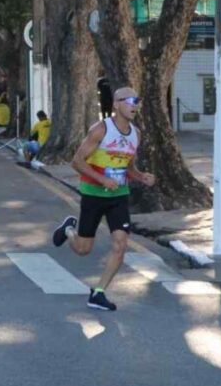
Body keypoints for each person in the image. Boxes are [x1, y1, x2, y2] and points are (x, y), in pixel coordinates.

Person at [51, 87, 156, 311]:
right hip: (94, 195)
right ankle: (69, 230)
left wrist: (140, 176)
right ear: (116, 104)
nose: (135, 105)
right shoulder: (100, 130)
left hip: (119, 196)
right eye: (130, 101)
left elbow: (128, 166)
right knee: (82, 249)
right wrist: (102, 179)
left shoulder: (135, 134)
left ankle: (98, 293)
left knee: (120, 244)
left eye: (137, 101)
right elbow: (77, 162)